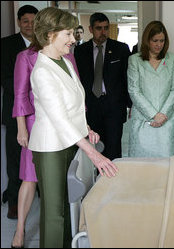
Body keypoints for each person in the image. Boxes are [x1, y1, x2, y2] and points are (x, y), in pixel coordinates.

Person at [28, 7, 118, 247]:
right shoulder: (42, 71)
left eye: (73, 33)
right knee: (54, 212)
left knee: (70, 208)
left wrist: (86, 127)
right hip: (51, 147)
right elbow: (58, 118)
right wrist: (93, 153)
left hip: (70, 141)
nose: (73, 38)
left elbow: (74, 105)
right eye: (67, 34)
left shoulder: (65, 61)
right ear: (50, 35)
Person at [11, 45, 80, 248]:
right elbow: (20, 94)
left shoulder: (68, 56)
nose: (70, 38)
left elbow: (77, 91)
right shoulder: (25, 57)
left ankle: (67, 235)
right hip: (36, 124)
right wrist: (22, 128)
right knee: (30, 178)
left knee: (63, 183)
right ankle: (20, 231)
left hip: (66, 126)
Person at [74, 12, 132, 160]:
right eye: (99, 28)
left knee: (113, 149)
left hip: (114, 107)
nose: (103, 32)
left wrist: (130, 105)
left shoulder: (121, 49)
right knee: (94, 149)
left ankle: (113, 181)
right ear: (91, 29)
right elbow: (77, 80)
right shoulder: (80, 51)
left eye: (106, 28)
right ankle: (96, 181)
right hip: (91, 107)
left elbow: (127, 78)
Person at [1, 4, 39, 220]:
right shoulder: (6, 45)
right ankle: (14, 202)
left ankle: (40, 191)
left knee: (40, 153)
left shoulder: (44, 44)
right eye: (26, 21)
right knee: (16, 157)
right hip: (16, 112)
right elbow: (6, 79)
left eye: (34, 21)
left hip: (41, 113)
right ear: (18, 22)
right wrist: (27, 91)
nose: (30, 26)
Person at [127, 21, 174, 157]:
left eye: (162, 41)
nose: (159, 44)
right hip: (143, 121)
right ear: (147, 40)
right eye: (155, 40)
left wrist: (162, 115)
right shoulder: (135, 60)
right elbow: (134, 90)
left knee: (164, 166)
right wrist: (153, 115)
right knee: (140, 165)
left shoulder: (172, 59)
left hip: (165, 120)